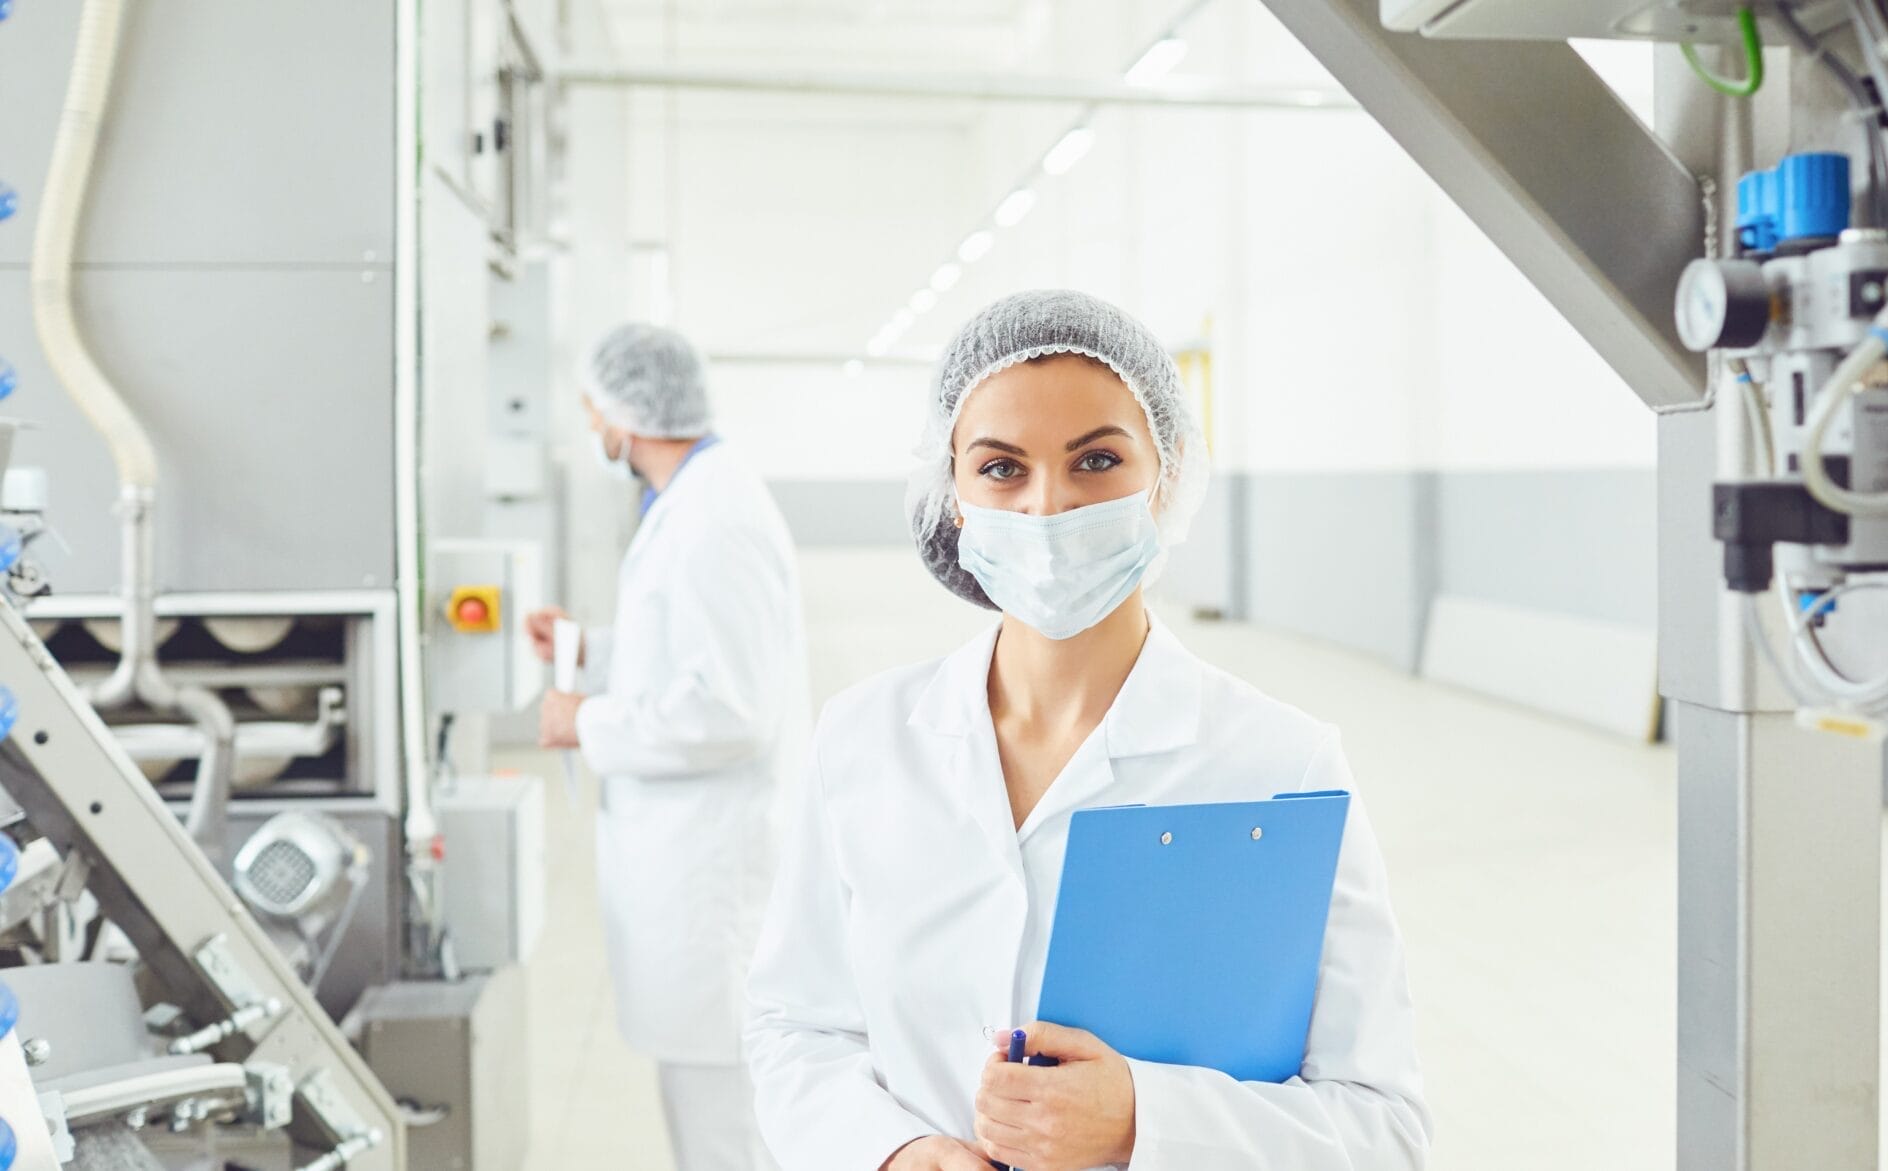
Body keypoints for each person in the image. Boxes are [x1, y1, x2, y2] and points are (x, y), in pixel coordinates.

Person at [744, 290, 1429, 1171]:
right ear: (951, 495)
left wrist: (1146, 1122)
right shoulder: (865, 738)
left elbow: (1384, 1127)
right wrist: (896, 1151)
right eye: (1000, 468)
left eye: (1097, 460)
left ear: (1167, 476)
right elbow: (795, 1025)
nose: (1049, 508)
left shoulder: (1280, 766)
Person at [529, 323, 807, 1171]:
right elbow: (684, 648)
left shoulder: (714, 519)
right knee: (708, 1116)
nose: (592, 428)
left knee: (724, 1126)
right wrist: (594, 649)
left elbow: (731, 708)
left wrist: (587, 720)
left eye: (593, 410)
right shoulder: (692, 502)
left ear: (626, 414)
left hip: (710, 877)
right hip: (686, 863)